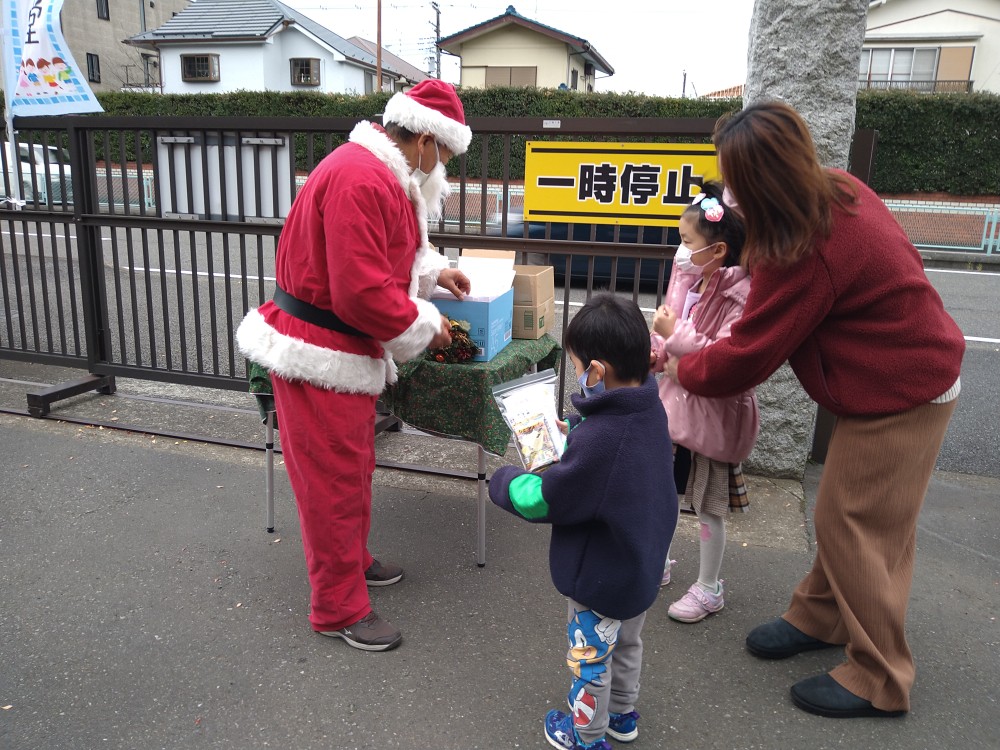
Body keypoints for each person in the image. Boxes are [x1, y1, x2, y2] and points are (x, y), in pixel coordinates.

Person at [667, 100, 964, 718]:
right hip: (890, 380)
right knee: (847, 513)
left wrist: (677, 366)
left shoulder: (801, 247)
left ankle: (881, 677)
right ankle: (821, 616)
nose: (727, 196)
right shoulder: (836, 191)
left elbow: (747, 356)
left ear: (763, 182)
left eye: (734, 184)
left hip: (904, 389)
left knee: (855, 523)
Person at [236, 79, 473, 652]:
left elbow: (388, 255)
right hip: (320, 349)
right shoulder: (363, 178)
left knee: (352, 467)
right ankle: (337, 607)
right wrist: (428, 325)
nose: (442, 167)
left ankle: (352, 562)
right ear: (424, 140)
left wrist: (434, 273)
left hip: (334, 344)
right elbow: (362, 292)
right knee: (332, 483)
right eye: (444, 154)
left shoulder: (377, 170)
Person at [489, 293, 678, 750]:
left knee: (590, 659)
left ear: (596, 370)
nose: (577, 375)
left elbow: (548, 499)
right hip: (639, 563)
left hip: (600, 576)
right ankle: (622, 715)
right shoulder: (648, 406)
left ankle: (586, 736)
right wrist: (575, 431)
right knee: (627, 643)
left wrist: (505, 481)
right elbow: (614, 449)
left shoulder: (602, 441)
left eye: (576, 366)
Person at [650, 181, 759, 623]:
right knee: (663, 494)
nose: (680, 250)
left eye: (686, 240)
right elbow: (671, 337)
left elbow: (721, 354)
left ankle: (709, 587)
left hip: (714, 419)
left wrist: (672, 333)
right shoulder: (693, 279)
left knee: (709, 508)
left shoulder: (741, 295)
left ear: (717, 250)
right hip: (677, 408)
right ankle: (658, 562)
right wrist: (658, 352)